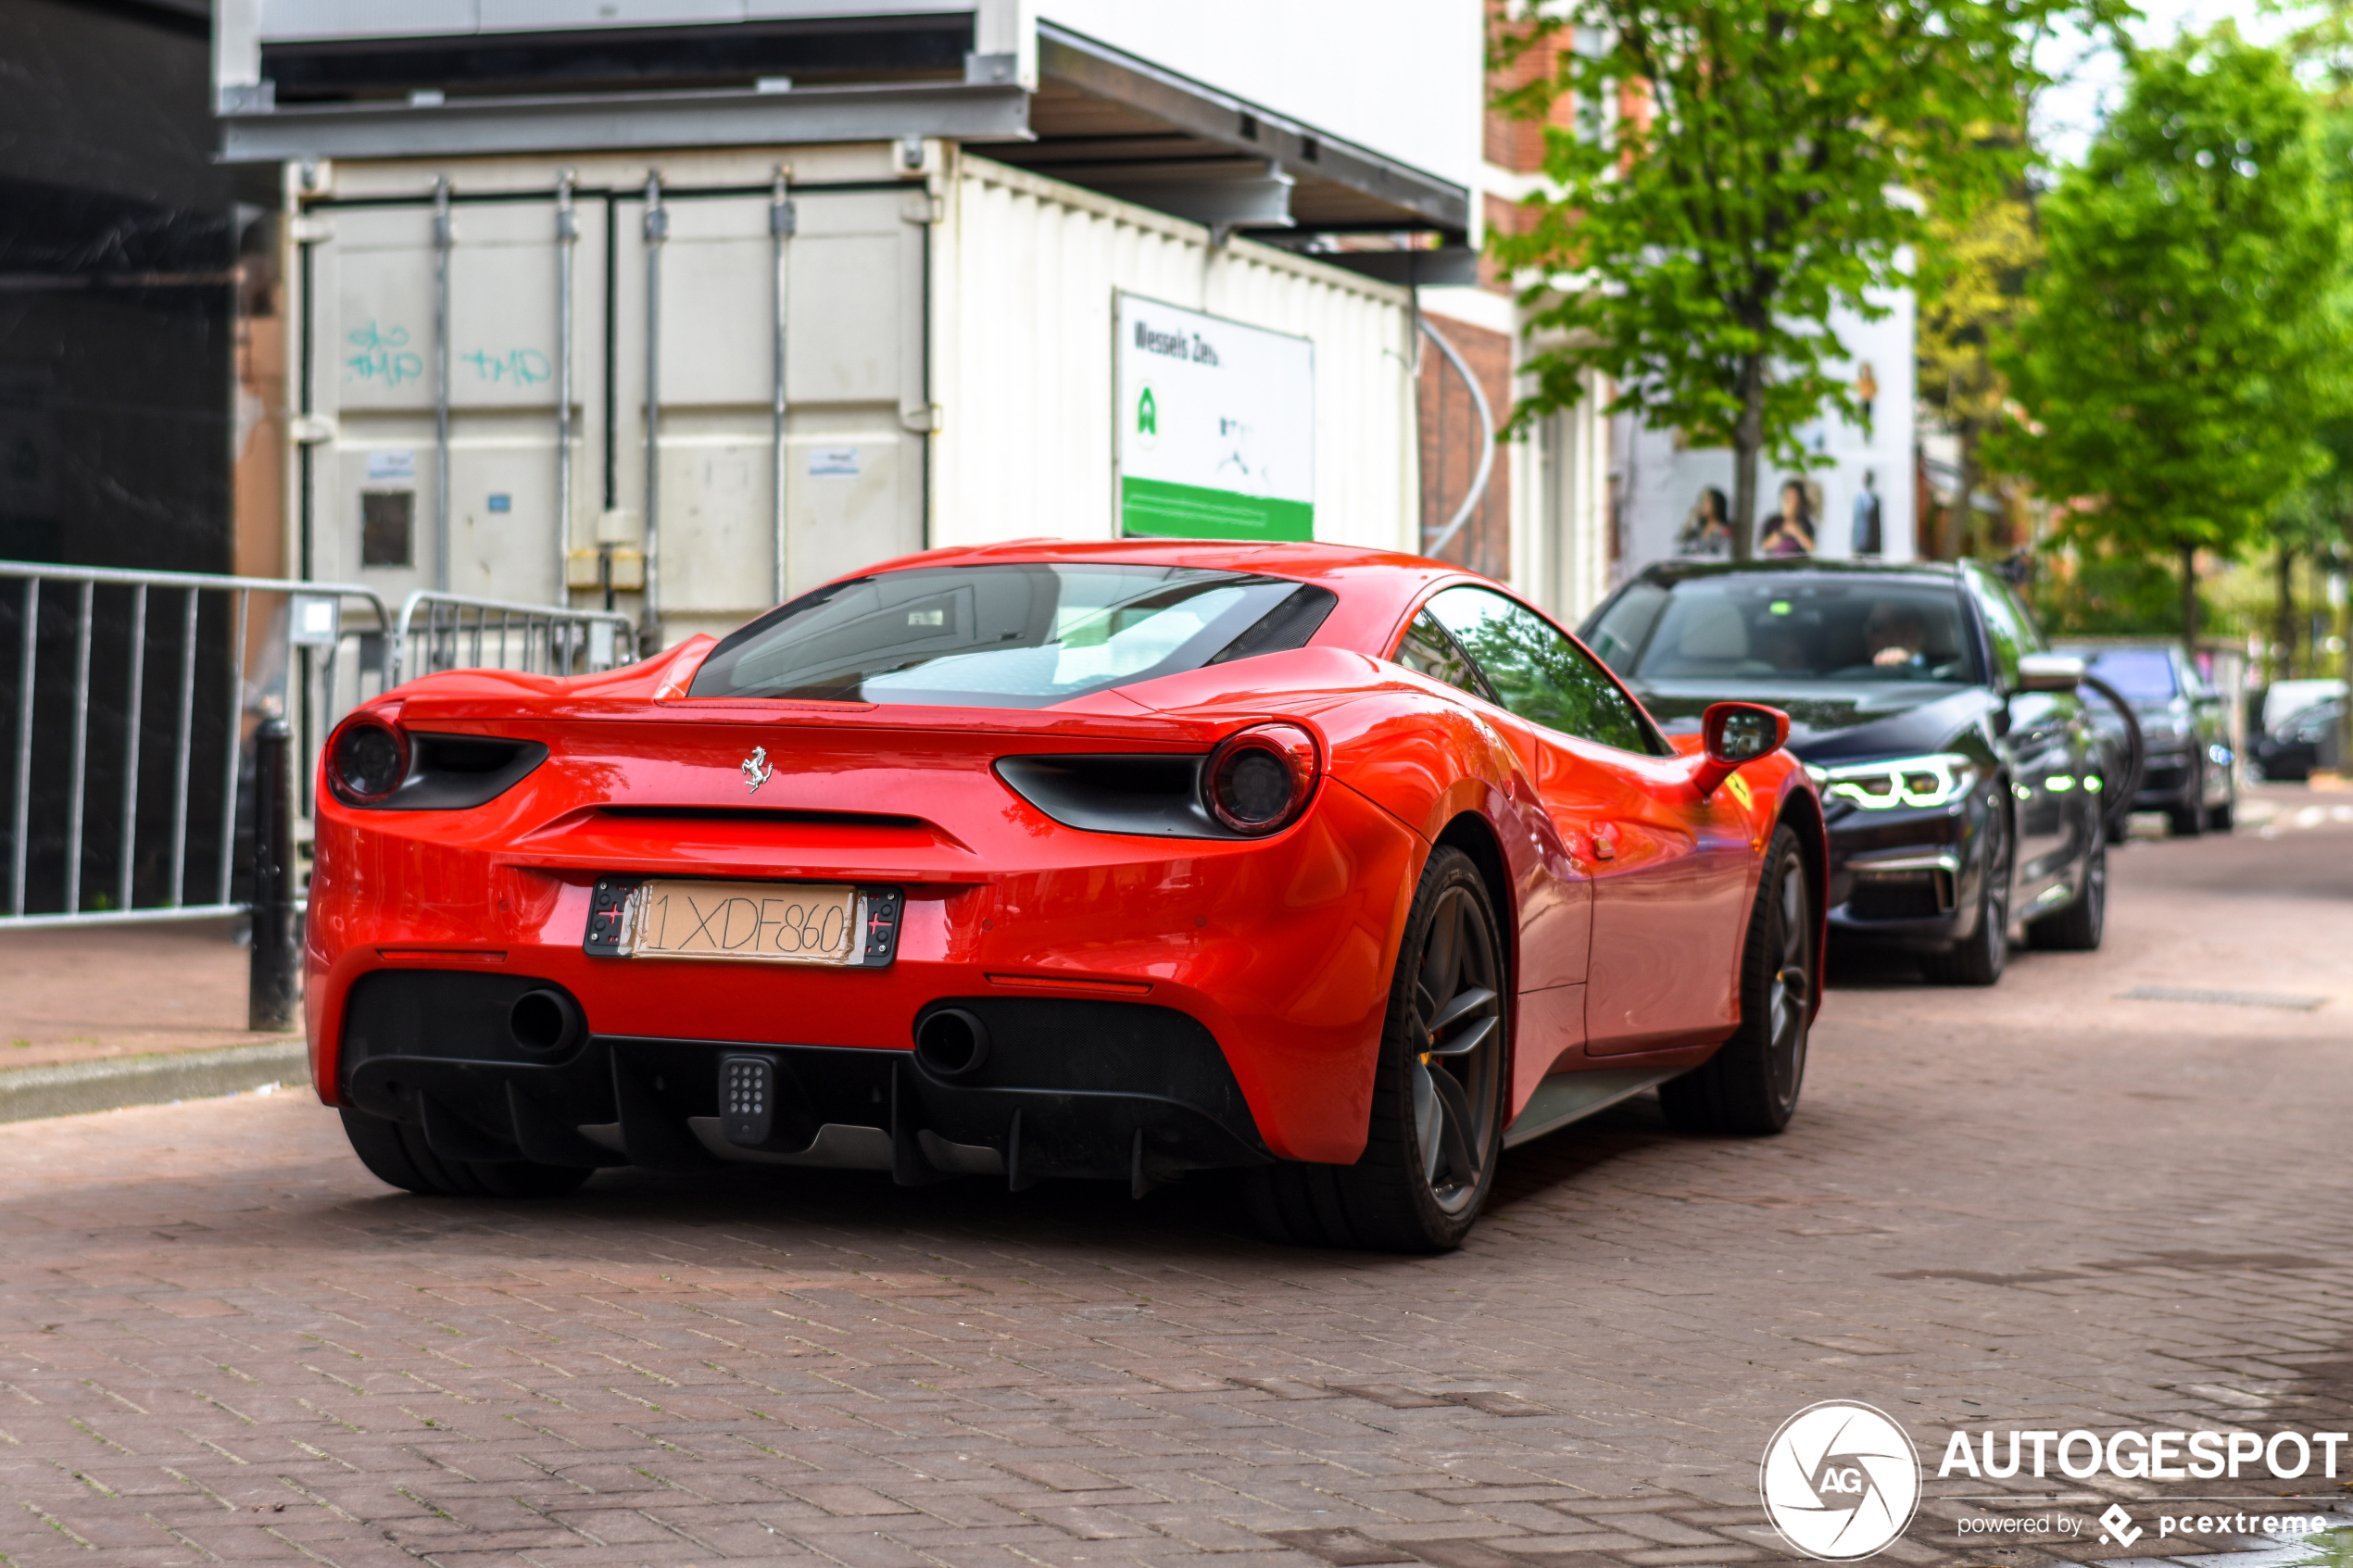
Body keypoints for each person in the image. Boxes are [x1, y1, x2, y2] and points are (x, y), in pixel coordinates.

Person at [1862, 602, 1929, 670]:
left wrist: (1905, 665)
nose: (1866, 633)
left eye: (1876, 626)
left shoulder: (1934, 673)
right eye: (1867, 626)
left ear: (1905, 635)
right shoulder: (1859, 670)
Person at [1757, 481, 1816, 558]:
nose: (1787, 501)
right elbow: (1764, 546)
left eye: (1792, 497)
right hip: (1776, 565)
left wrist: (1796, 531)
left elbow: (1811, 547)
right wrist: (1782, 532)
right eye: (1786, 496)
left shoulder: (1805, 523)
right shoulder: (1772, 521)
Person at [1677, 487, 1734, 557]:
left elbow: (1724, 552)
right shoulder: (1697, 529)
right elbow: (1682, 547)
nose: (1702, 504)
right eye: (1701, 500)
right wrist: (1691, 519)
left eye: (1706, 500)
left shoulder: (1724, 530)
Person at [1851, 470, 1883, 557]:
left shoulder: (1875, 500)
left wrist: (1879, 546)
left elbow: (1878, 525)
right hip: (1860, 542)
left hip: (1872, 544)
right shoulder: (1858, 499)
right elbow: (1855, 523)